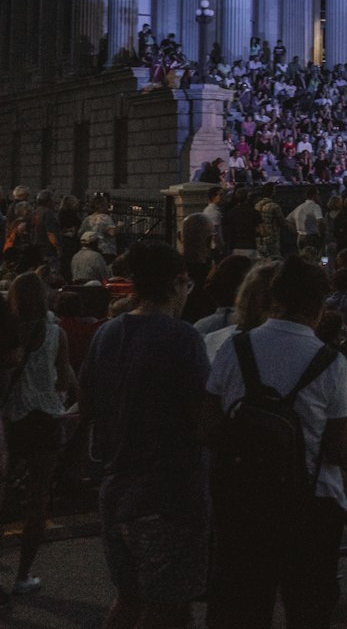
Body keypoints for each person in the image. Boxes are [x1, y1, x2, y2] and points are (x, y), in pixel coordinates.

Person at [203, 254, 347, 629]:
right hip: (311, 503)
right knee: (308, 609)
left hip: (244, 497)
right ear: (319, 306)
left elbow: (207, 425)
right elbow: (341, 449)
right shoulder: (328, 362)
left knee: (243, 605)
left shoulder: (234, 350)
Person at [79, 241, 209, 629]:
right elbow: (202, 419)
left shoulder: (107, 334)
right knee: (164, 609)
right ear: (175, 283)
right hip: (169, 495)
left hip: (117, 488)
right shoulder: (183, 338)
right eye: (186, 284)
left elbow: (87, 402)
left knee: (130, 600)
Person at [1, 272, 75, 597]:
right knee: (37, 500)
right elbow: (64, 379)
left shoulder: (9, 334)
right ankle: (23, 575)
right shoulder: (56, 334)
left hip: (12, 420)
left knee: (4, 496)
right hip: (46, 421)